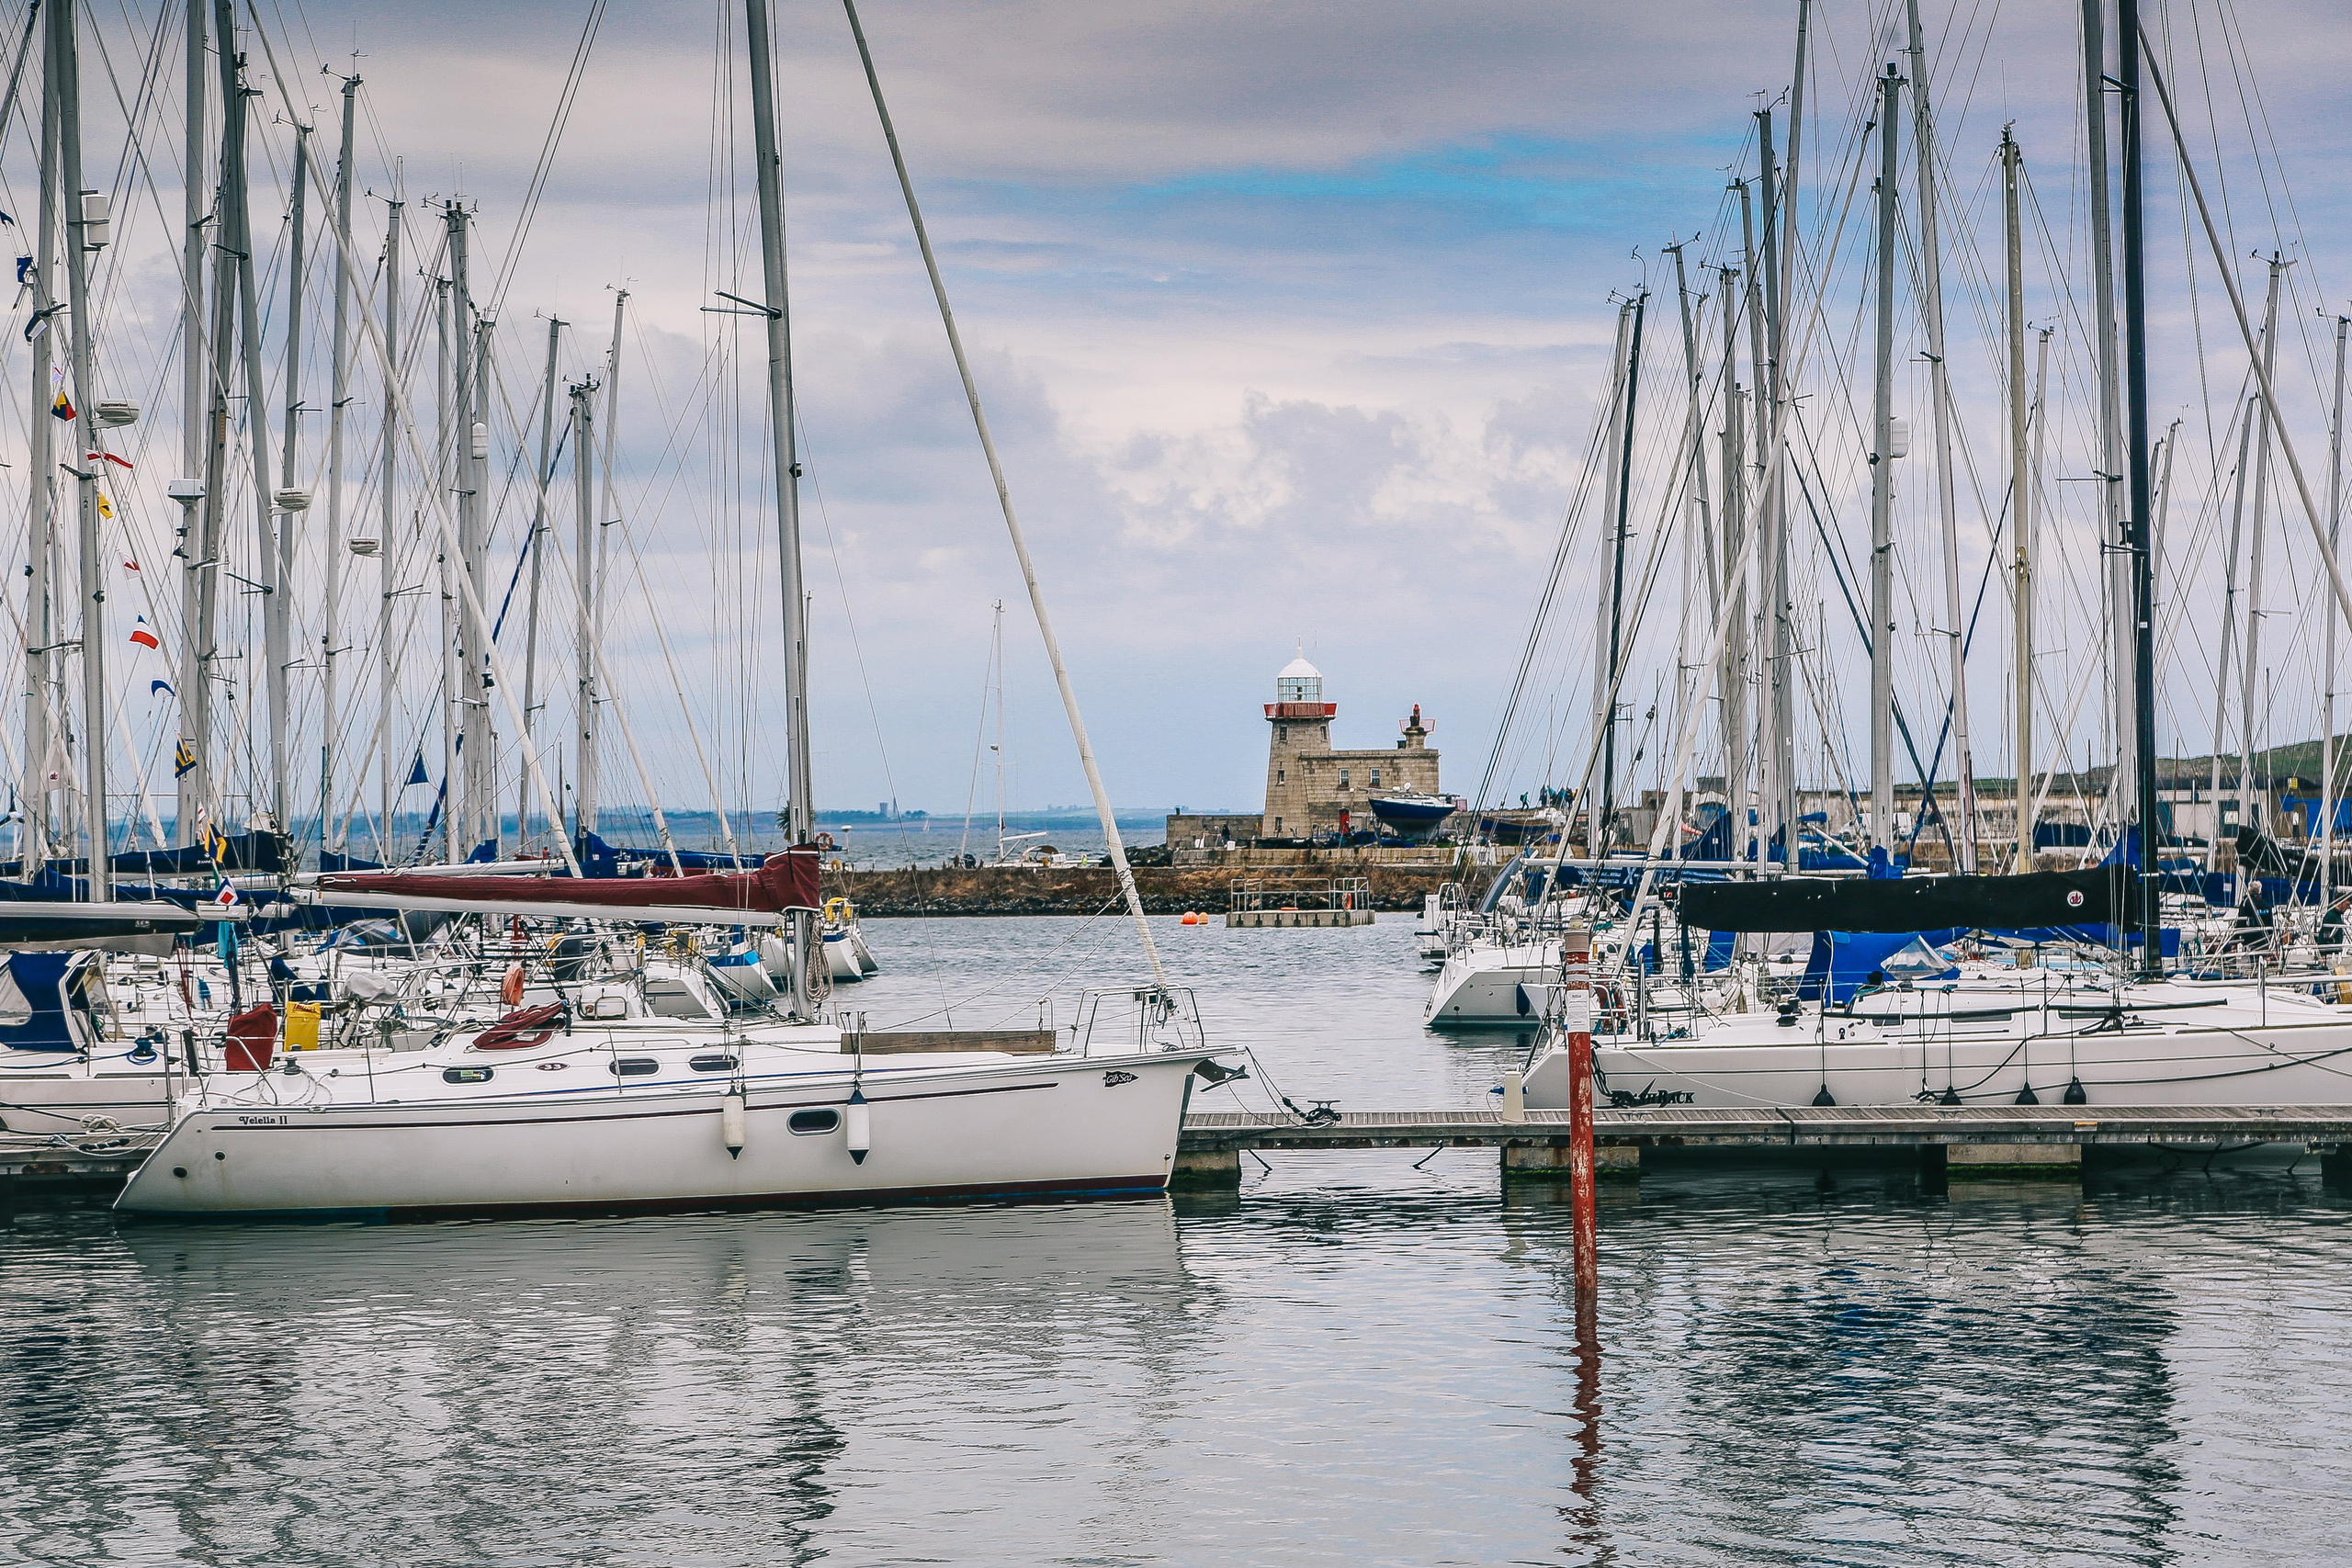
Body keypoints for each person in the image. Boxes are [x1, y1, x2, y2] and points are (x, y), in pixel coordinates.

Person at [2321, 891, 2351, 956]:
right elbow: (2325, 933)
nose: (2348, 907)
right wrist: (2323, 953)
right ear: (2340, 903)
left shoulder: (2338, 915)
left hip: (2336, 952)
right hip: (2330, 953)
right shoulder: (2331, 915)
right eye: (2347, 904)